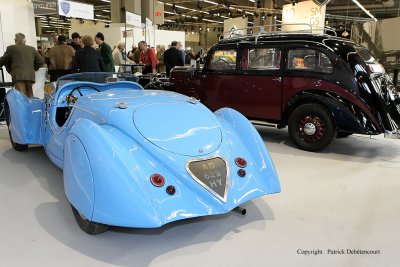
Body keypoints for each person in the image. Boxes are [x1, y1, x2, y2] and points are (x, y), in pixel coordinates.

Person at [0, 33, 44, 98]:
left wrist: (10, 70)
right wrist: (33, 68)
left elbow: (3, 60)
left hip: (18, 77)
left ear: (15, 40)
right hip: (30, 76)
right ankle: (32, 107)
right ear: (24, 40)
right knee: (30, 95)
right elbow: (41, 61)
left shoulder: (11, 48)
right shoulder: (32, 49)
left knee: (22, 97)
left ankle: (25, 108)